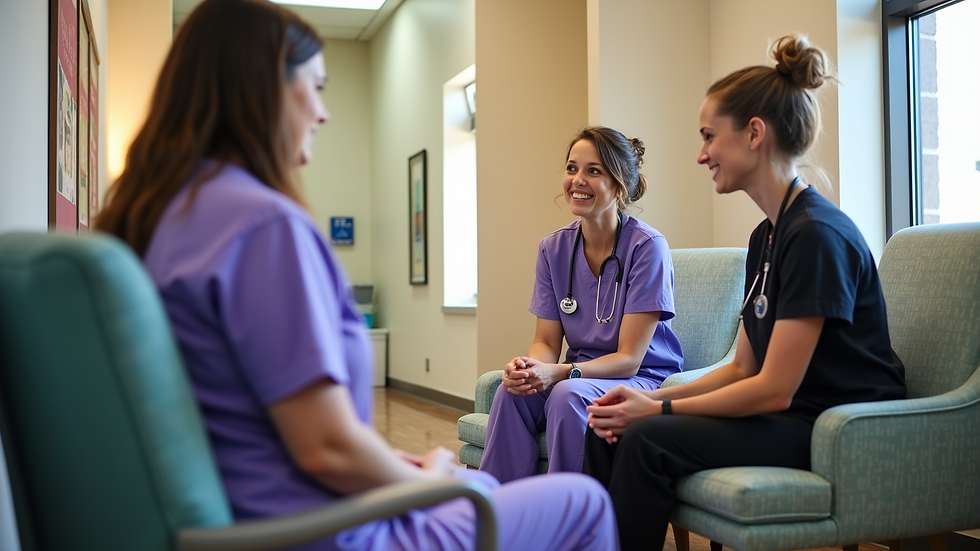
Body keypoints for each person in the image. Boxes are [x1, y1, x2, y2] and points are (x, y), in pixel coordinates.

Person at [95, 1, 619, 550]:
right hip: (319, 527)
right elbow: (326, 449)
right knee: (583, 502)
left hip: (238, 508)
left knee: (482, 480)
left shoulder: (150, 220)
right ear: (265, 88)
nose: (322, 113)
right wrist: (427, 480)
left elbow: (255, 418)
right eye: (316, 87)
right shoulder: (264, 227)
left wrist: (400, 462)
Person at [580, 34, 907, 551]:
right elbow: (740, 368)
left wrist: (657, 413)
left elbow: (774, 388)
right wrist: (646, 396)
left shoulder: (818, 235)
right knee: (608, 424)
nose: (701, 154)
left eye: (710, 136)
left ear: (754, 133)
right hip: (788, 411)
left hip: (835, 427)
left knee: (644, 439)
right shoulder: (768, 234)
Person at [480, 126, 683, 483]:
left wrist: (560, 373)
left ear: (619, 185)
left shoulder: (647, 247)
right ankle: (500, 515)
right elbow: (546, 342)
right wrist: (529, 368)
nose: (577, 180)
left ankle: (569, 522)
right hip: (580, 375)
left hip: (641, 378)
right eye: (572, 168)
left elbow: (629, 358)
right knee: (511, 392)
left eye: (594, 171)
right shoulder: (552, 249)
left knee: (566, 395)